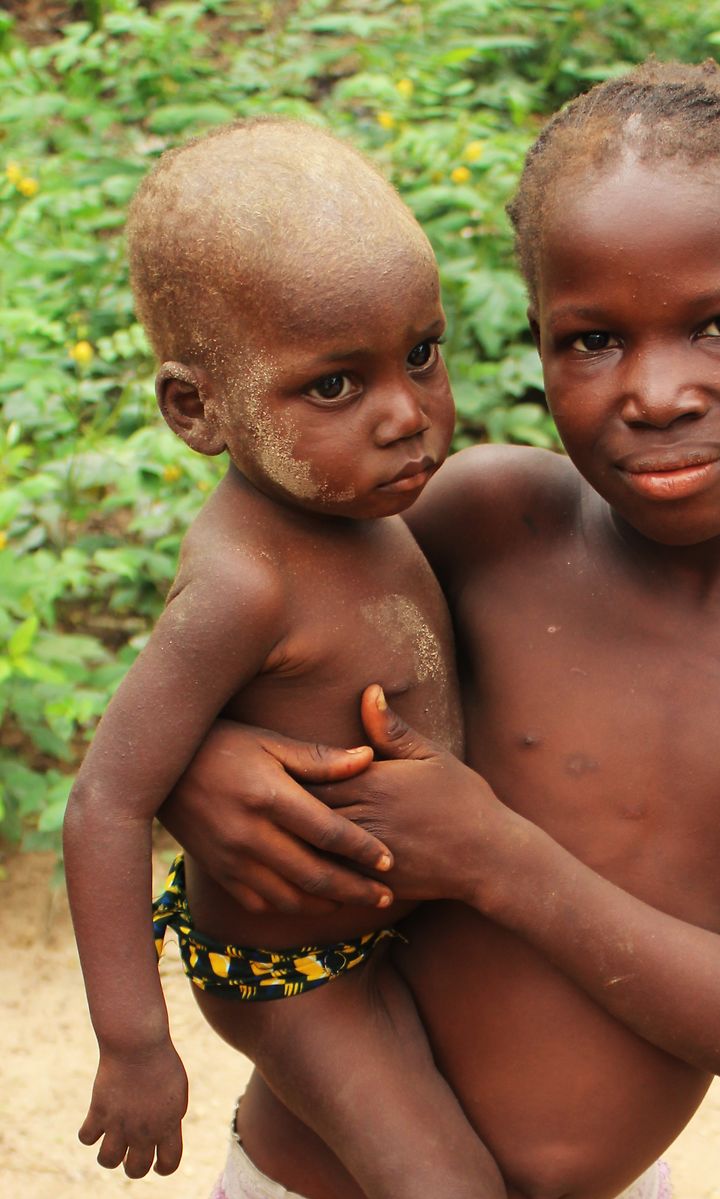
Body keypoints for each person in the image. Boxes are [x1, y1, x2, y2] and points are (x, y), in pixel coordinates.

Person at [163, 62, 720, 1199]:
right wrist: (201, 767)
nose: (658, 391)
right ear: (537, 347)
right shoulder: (486, 519)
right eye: (592, 340)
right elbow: (229, 632)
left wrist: (495, 857)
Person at [62, 118, 507, 1199]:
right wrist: (134, 1042)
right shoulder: (245, 583)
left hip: (398, 926)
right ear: (196, 409)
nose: (406, 414)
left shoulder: (370, 505)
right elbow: (106, 802)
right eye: (334, 386)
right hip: (293, 972)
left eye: (421, 353)